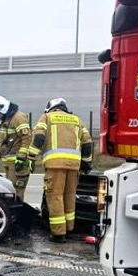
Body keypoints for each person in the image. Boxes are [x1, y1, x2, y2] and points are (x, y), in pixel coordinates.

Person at [23, 97, 93, 243]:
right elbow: (87, 143)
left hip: (55, 165)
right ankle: (69, 229)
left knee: (55, 197)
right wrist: (86, 163)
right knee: (69, 196)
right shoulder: (77, 120)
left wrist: (31, 157)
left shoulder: (47, 117)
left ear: (50, 108)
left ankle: (58, 233)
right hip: (74, 166)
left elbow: (39, 138)